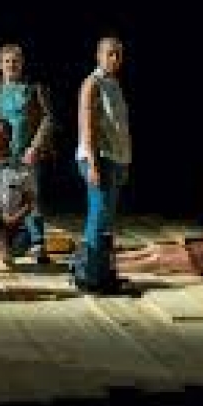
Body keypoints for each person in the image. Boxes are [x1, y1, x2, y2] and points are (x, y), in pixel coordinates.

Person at [0, 43, 54, 263]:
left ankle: (38, 242)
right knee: (1, 198)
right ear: (0, 64)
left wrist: (35, 147)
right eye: (7, 61)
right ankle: (4, 241)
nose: (11, 65)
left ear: (22, 63)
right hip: (1, 153)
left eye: (15, 61)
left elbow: (48, 118)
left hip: (25, 152)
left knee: (31, 196)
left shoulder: (34, 87)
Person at [72, 36, 132, 294]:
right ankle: (87, 277)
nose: (115, 59)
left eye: (118, 54)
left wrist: (124, 162)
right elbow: (87, 126)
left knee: (106, 222)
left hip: (115, 159)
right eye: (110, 53)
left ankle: (104, 274)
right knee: (97, 219)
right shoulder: (92, 83)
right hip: (99, 158)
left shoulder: (114, 84)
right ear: (98, 56)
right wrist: (93, 163)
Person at [0, 118, 37, 268]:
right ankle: (1, 247)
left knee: (24, 241)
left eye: (3, 133)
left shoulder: (22, 169)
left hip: (12, 224)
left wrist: (13, 219)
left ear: (10, 137)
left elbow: (30, 202)